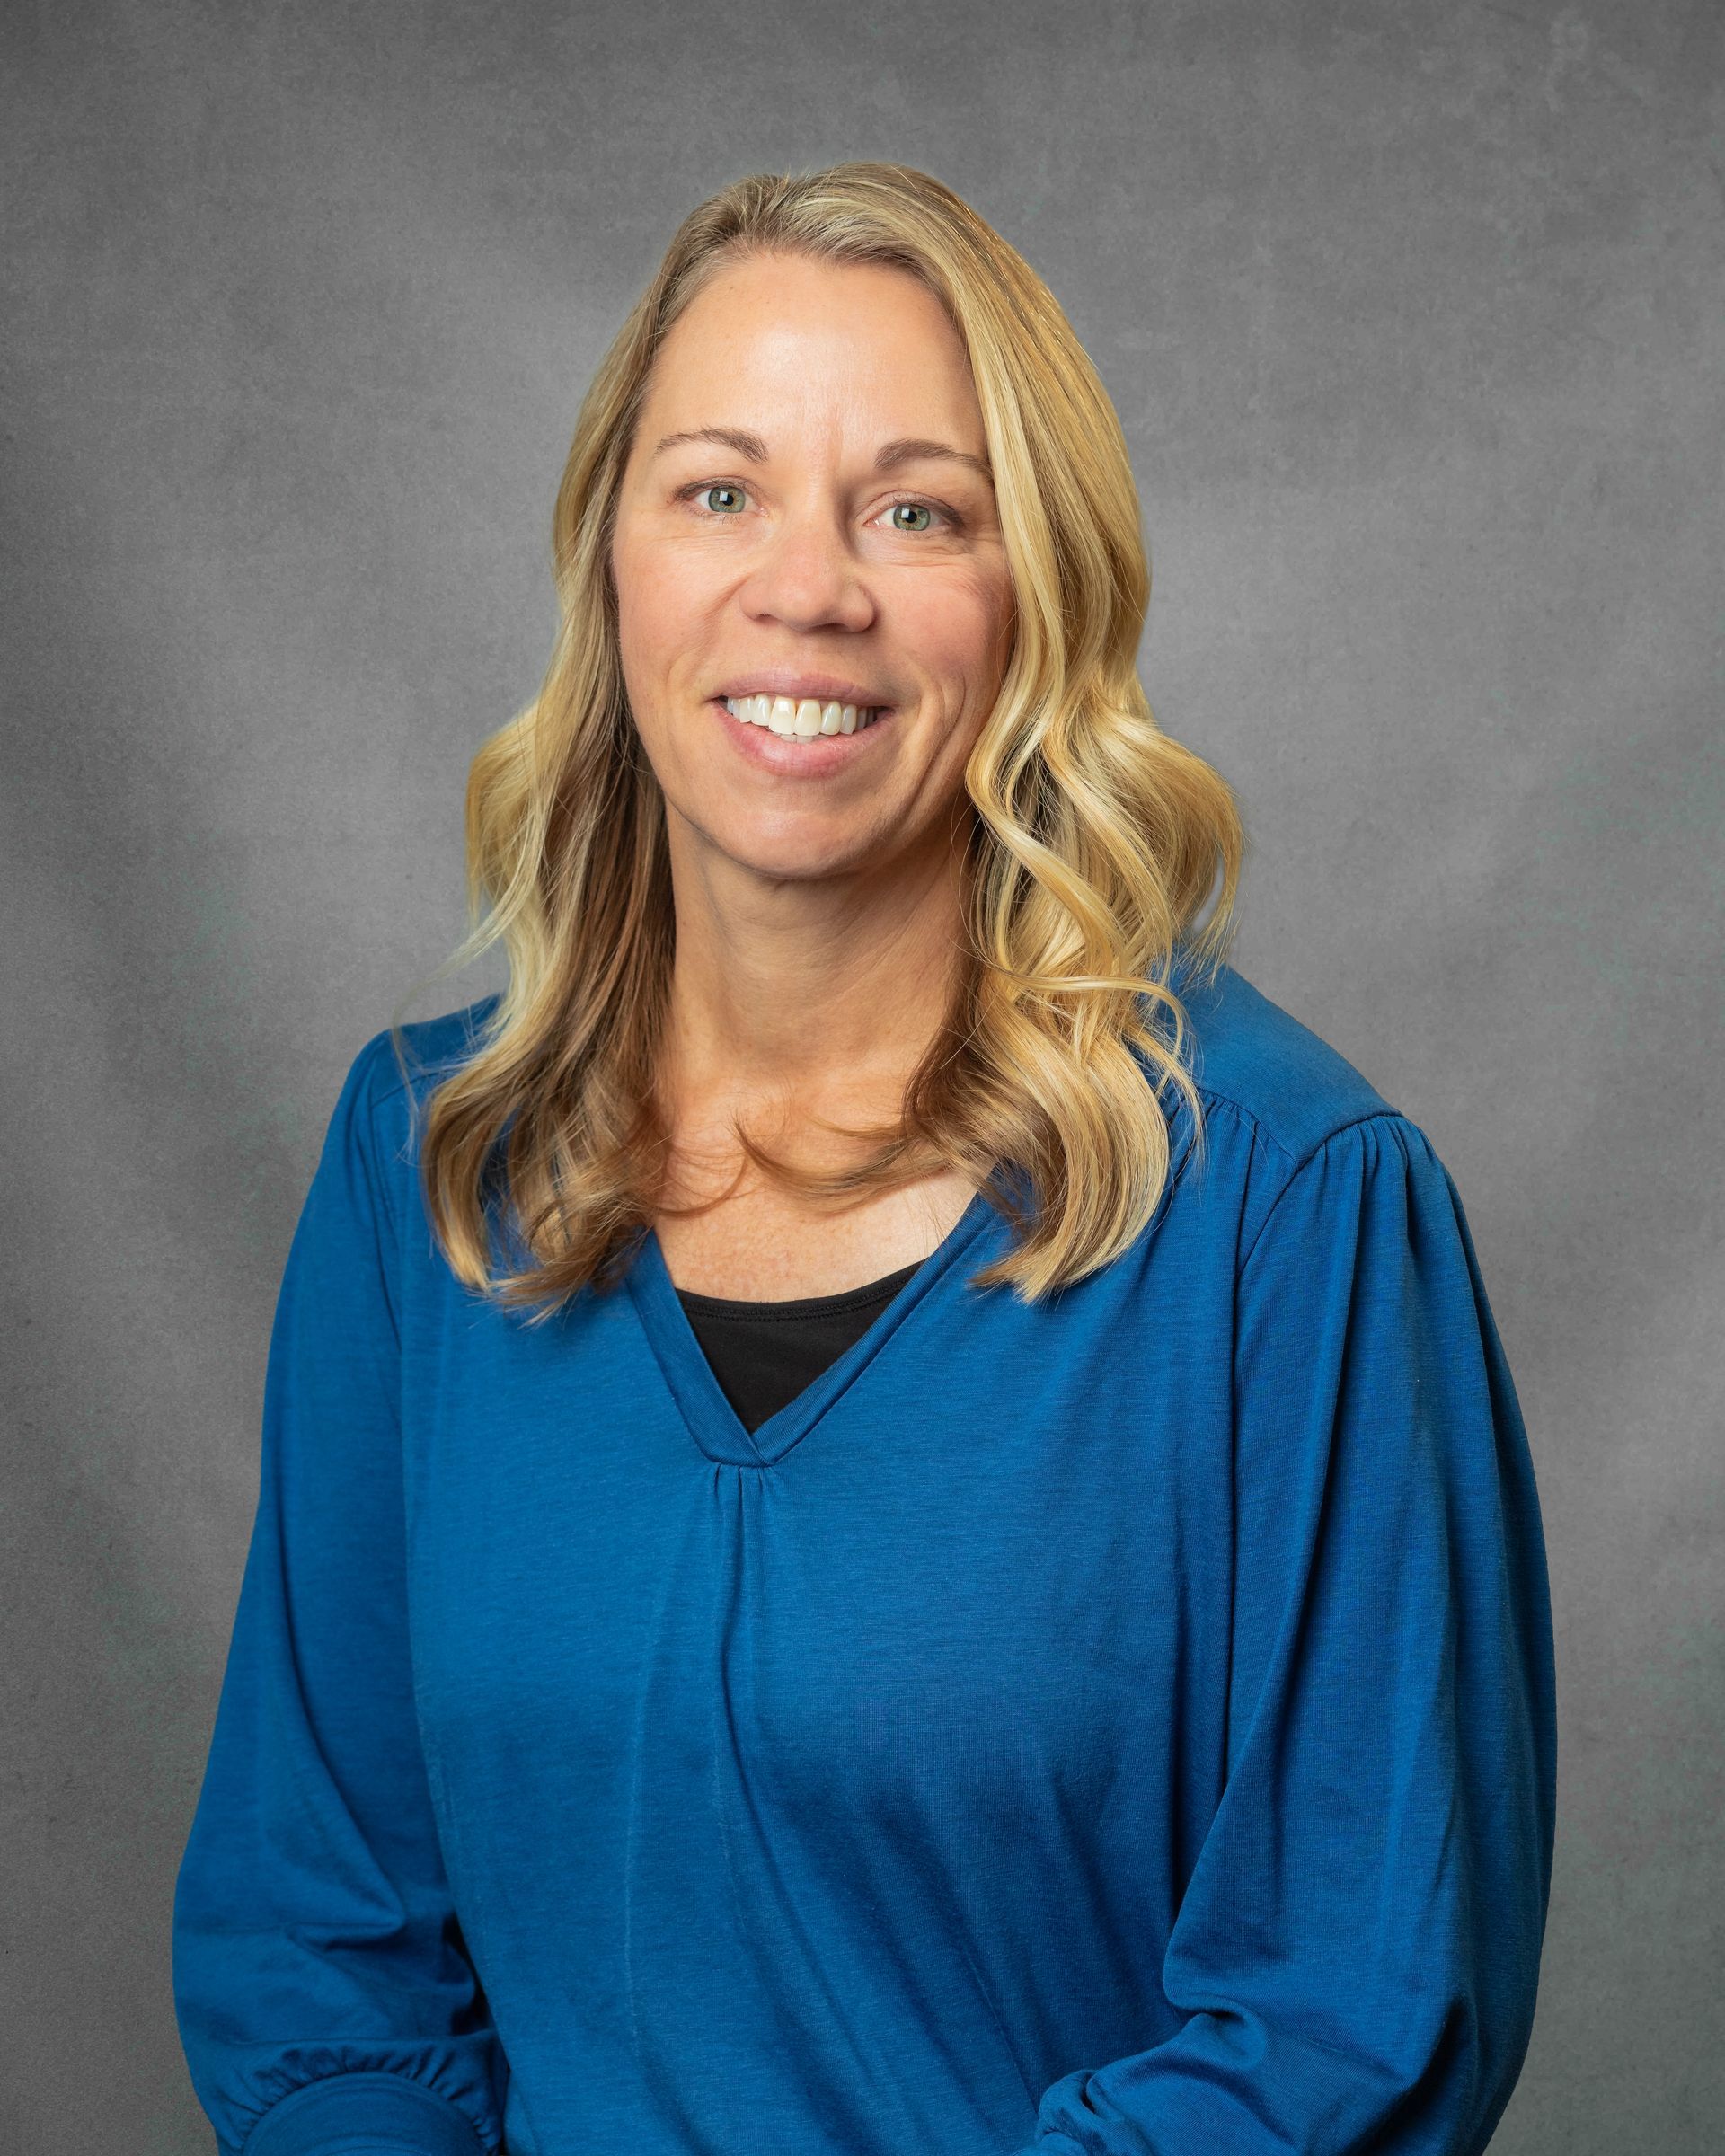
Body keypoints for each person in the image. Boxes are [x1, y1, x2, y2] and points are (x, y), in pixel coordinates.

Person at [172, 163, 1557, 2156]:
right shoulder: (430, 1174)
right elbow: (318, 1954)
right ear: (612, 566)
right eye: (718, 489)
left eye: (916, 510)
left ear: (1036, 598)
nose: (806, 587)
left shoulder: (1294, 1211)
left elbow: (1348, 2020)